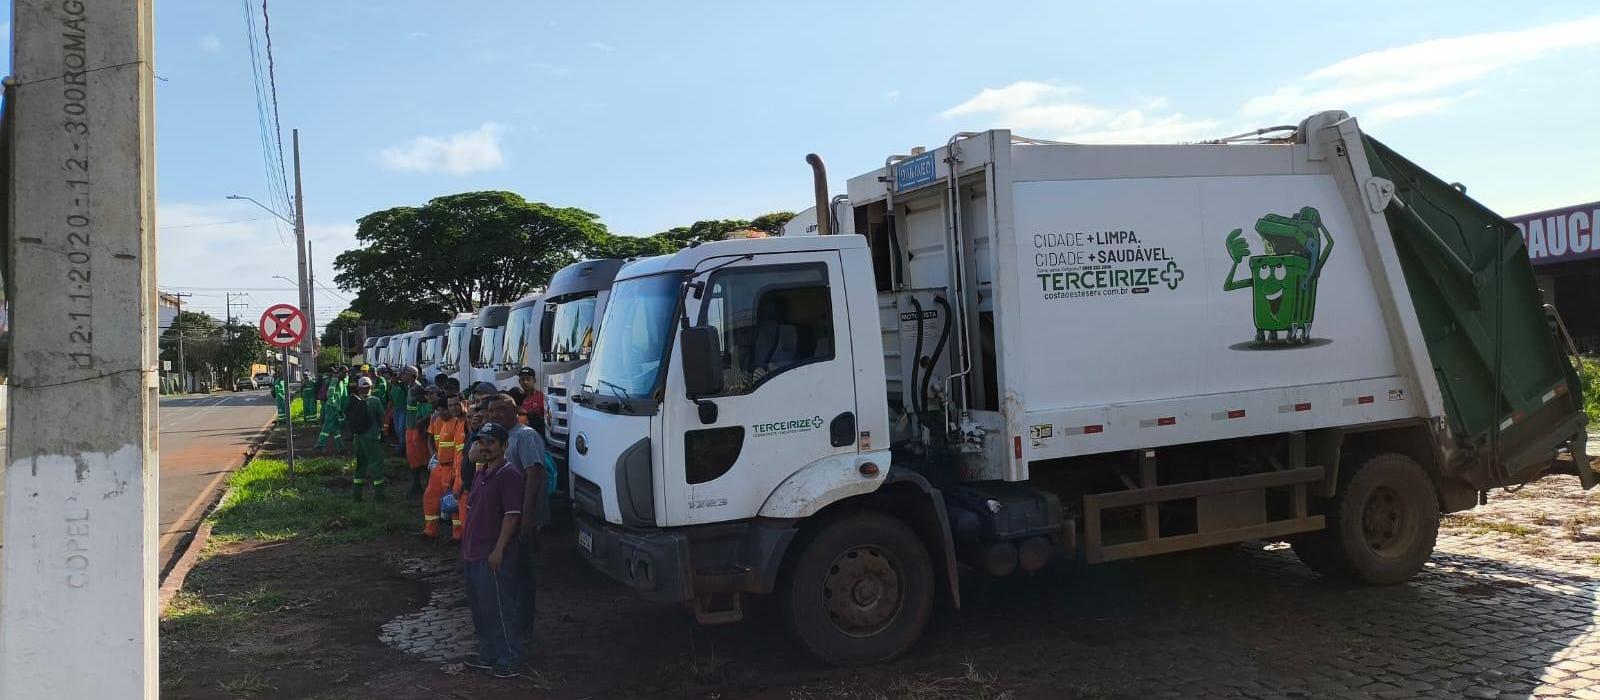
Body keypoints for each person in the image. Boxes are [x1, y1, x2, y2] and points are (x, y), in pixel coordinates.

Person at [459, 422, 528, 678]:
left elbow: (512, 516)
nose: (484, 447)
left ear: (504, 446)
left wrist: (499, 549)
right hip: (473, 552)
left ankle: (510, 655)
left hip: (493, 554)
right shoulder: (481, 472)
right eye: (481, 442)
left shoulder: (509, 475)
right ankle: (488, 653)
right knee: (480, 607)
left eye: (490, 442)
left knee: (499, 606)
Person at [485, 394, 549, 633]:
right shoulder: (501, 437)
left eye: (501, 409)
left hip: (519, 517)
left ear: (515, 410)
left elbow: (534, 474)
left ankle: (524, 629)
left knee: (521, 575)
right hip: (504, 519)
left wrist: (527, 517)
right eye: (491, 411)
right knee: (509, 574)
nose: (495, 415)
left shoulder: (525, 436)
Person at [422, 395, 465, 539]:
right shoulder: (439, 421)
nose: (441, 412)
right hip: (440, 466)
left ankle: (458, 536)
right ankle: (430, 531)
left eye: (443, 409)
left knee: (454, 502)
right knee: (430, 496)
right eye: (439, 409)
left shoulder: (458, 423)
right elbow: (431, 438)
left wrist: (456, 472)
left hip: (452, 468)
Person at [349, 375, 388, 501]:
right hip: (371, 438)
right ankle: (380, 496)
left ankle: (356, 495)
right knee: (376, 466)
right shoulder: (374, 401)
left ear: (359, 388)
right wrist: (383, 431)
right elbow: (382, 416)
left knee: (360, 466)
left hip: (358, 439)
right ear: (371, 387)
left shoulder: (353, 400)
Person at [406, 383, 436, 496]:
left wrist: (424, 420)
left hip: (427, 435)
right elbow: (419, 419)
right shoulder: (420, 405)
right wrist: (423, 419)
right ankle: (417, 484)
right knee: (414, 458)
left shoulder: (430, 405)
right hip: (419, 433)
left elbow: (430, 417)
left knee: (428, 459)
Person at [315, 365, 348, 455]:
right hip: (331, 408)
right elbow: (330, 395)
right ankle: (319, 446)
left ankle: (341, 447)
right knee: (327, 427)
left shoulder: (342, 382)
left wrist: (341, 407)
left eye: (347, 373)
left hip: (336, 408)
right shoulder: (335, 380)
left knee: (336, 429)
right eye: (344, 373)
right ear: (340, 372)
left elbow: (343, 396)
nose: (346, 374)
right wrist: (335, 406)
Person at [516, 367, 546, 433]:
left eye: (528, 379)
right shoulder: (515, 397)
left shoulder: (542, 397)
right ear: (519, 381)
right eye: (523, 379)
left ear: (534, 380)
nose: (525, 382)